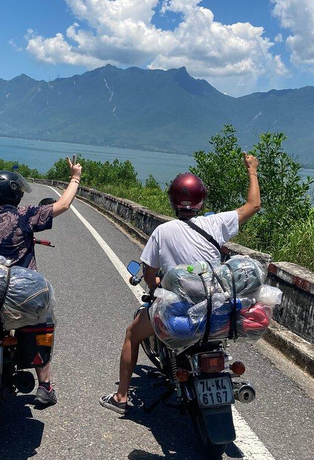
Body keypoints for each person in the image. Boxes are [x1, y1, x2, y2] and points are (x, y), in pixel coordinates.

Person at [100, 153, 261, 414]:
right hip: (215, 307)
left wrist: (158, 288)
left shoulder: (162, 232)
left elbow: (151, 277)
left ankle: (120, 398)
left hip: (182, 313)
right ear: (201, 199)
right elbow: (253, 205)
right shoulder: (216, 222)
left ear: (173, 201)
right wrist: (252, 170)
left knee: (132, 334)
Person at [0, 157, 83, 406]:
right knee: (44, 318)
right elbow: (62, 205)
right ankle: (45, 386)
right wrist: (75, 177)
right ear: (15, 194)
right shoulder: (25, 214)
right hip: (17, 296)